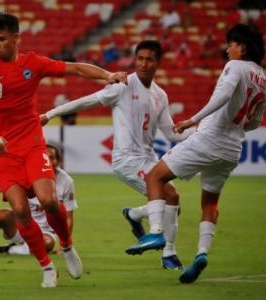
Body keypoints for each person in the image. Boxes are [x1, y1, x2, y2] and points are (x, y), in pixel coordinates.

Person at [0, 12, 125, 288]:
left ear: (16, 38)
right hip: (2, 151)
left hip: (31, 144)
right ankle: (46, 266)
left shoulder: (34, 63)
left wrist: (107, 75)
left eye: (2, 39)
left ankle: (66, 246)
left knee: (49, 200)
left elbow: (76, 68)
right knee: (19, 209)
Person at [128, 24, 266, 283]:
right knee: (211, 203)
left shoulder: (236, 67)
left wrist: (193, 120)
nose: (228, 49)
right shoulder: (264, 78)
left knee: (154, 177)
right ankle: (202, 252)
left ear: (244, 46)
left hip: (209, 138)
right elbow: (253, 123)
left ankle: (157, 231)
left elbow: (224, 95)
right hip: (232, 149)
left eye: (232, 44)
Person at [41, 40, 195, 270]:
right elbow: (87, 101)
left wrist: (201, 131)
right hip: (126, 159)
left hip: (148, 157)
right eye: (140, 58)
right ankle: (168, 253)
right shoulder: (123, 85)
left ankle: (135, 215)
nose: (143, 64)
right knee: (169, 196)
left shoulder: (160, 95)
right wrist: (50, 113)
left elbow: (170, 133)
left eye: (149, 59)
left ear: (158, 63)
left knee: (174, 201)